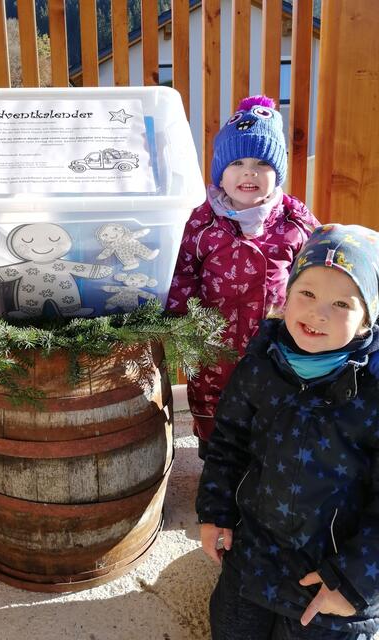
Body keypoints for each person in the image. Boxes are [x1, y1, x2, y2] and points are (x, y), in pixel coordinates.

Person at [196, 223, 379, 639]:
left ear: (367, 319)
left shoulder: (373, 390)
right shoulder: (262, 363)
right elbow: (227, 443)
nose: (318, 313)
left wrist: (354, 585)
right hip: (256, 553)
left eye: (341, 304)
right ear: (288, 294)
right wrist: (215, 513)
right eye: (307, 294)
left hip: (334, 569)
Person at [166, 95, 319, 458]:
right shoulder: (202, 222)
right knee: (212, 400)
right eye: (237, 162)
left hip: (276, 345)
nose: (248, 172)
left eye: (261, 163)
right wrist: (181, 323)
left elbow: (317, 273)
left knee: (272, 406)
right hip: (212, 340)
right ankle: (214, 460)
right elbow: (182, 271)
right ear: (221, 170)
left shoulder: (295, 224)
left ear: (277, 172)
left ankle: (264, 469)